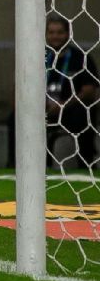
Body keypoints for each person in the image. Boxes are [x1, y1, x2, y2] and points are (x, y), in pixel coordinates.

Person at [45, 14, 99, 169]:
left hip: (71, 108)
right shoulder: (39, 56)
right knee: (15, 119)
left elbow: (89, 91)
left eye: (60, 32)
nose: (55, 36)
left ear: (68, 34)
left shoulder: (80, 57)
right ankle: (17, 164)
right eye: (51, 32)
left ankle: (86, 164)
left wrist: (63, 105)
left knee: (82, 114)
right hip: (44, 109)